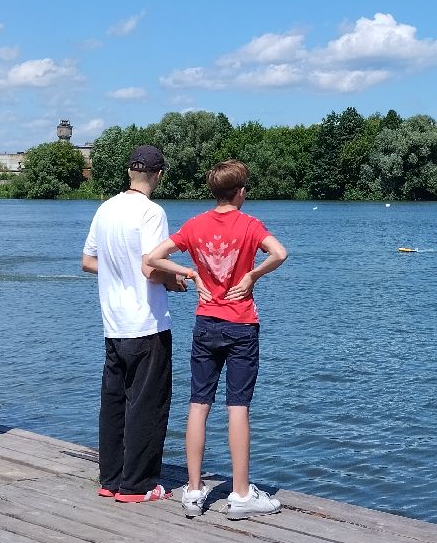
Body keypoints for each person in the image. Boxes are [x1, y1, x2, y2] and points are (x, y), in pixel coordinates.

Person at [142, 159, 287, 520]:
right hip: (241, 323)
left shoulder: (195, 225)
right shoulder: (250, 225)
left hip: (206, 323)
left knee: (198, 403)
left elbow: (153, 258)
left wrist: (191, 273)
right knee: (237, 407)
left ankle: (192, 492)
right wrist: (253, 275)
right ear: (239, 192)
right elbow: (280, 253)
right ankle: (240, 495)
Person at [81, 145, 188, 503]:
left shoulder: (106, 208)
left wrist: (120, 270)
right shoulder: (152, 212)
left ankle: (111, 478)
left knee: (113, 402)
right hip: (146, 322)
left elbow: (88, 261)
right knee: (147, 404)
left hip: (113, 323)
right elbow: (151, 268)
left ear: (129, 172)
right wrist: (175, 281)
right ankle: (138, 485)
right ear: (159, 174)